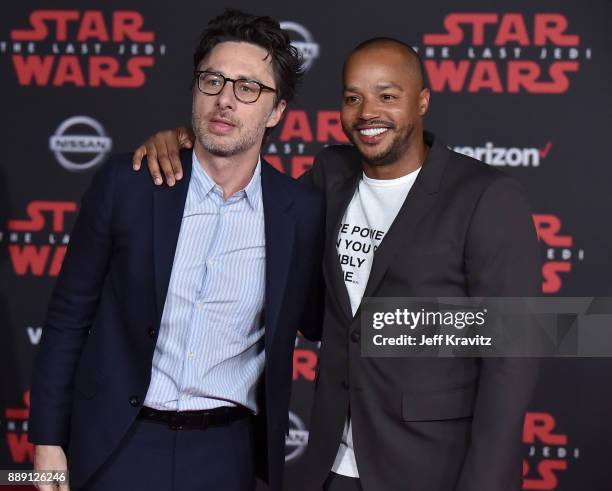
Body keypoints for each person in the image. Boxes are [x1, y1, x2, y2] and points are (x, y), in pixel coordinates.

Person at [133, 38, 540, 491]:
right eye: (353, 98)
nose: (368, 112)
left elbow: (515, 354)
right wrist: (187, 141)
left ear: (422, 100)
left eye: (388, 96)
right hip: (330, 466)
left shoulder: (485, 196)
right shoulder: (331, 174)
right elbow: (249, 191)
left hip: (431, 466)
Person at [28, 9, 325, 491]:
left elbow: (322, 320)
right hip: (114, 442)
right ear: (195, 88)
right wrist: (45, 442)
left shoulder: (301, 213)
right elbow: (66, 319)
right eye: (213, 80)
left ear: (276, 111)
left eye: (247, 87)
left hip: (224, 454)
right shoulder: (128, 185)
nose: (225, 100)